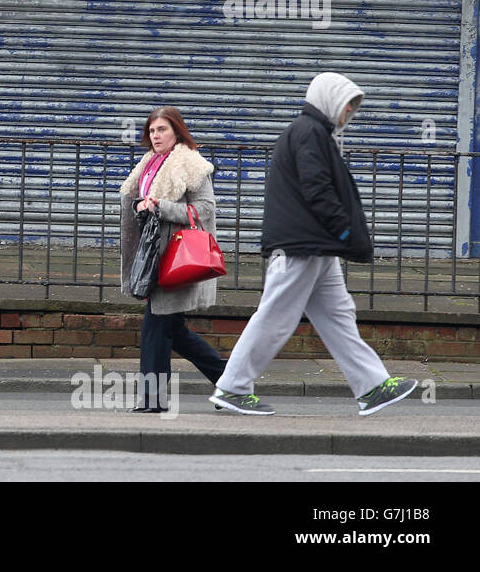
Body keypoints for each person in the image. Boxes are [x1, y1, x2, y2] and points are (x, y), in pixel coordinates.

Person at [211, 72, 417, 416]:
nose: (349, 113)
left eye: (353, 107)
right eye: (346, 105)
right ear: (329, 99)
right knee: (276, 317)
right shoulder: (308, 133)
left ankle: (373, 386)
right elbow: (317, 187)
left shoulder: (315, 134)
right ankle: (232, 387)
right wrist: (345, 231)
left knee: (339, 316)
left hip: (315, 246)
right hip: (302, 245)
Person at [119, 107, 227, 412]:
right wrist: (143, 207)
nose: (156, 136)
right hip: (154, 256)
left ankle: (152, 399)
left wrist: (161, 207)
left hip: (176, 258)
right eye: (152, 131)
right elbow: (140, 205)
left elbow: (204, 209)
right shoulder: (149, 164)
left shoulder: (191, 165)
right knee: (174, 332)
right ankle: (231, 384)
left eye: (162, 130)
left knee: (154, 328)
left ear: (177, 131)